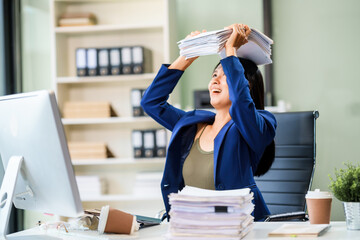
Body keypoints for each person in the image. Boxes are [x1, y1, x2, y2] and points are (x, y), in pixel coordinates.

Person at [141, 23, 277, 221]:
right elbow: (151, 102)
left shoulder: (262, 124)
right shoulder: (192, 125)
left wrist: (230, 51)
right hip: (192, 227)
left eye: (225, 76)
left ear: (245, 86)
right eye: (214, 75)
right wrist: (188, 55)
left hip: (238, 228)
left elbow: (241, 105)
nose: (215, 80)